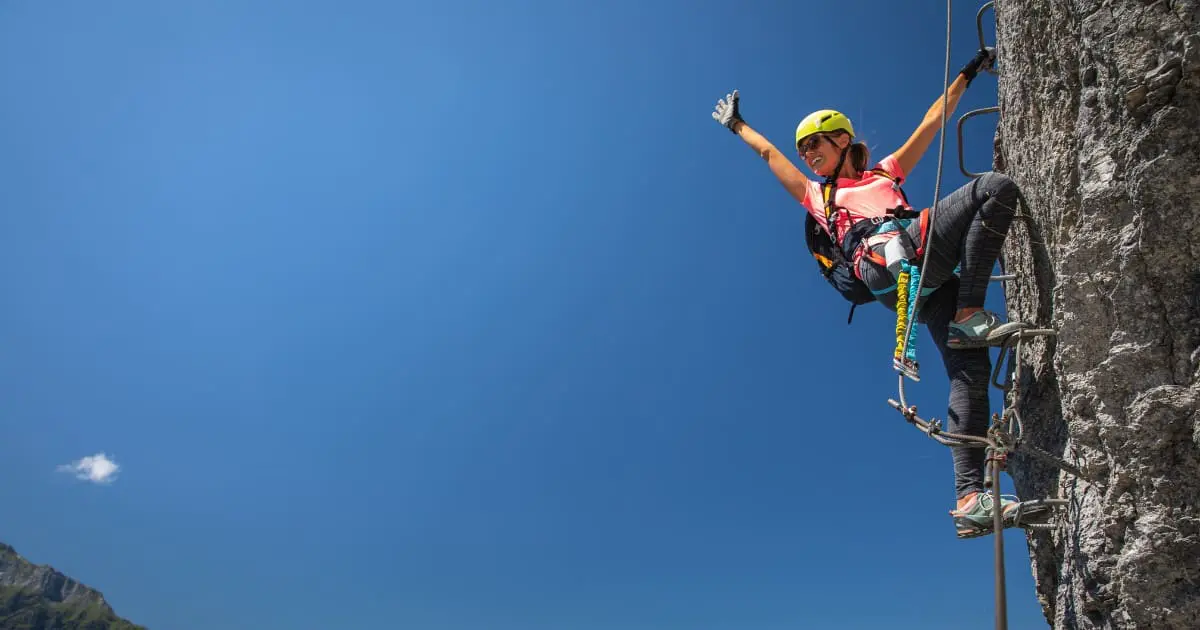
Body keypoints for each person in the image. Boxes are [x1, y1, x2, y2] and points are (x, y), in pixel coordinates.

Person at [711, 47, 1049, 538]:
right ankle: (970, 311)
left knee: (970, 370)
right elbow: (770, 155)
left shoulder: (886, 172)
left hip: (917, 277)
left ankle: (971, 498)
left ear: (843, 139)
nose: (807, 154)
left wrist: (968, 73)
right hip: (886, 264)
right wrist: (737, 125)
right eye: (803, 149)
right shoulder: (818, 197)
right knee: (992, 189)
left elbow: (934, 121)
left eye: (814, 144)